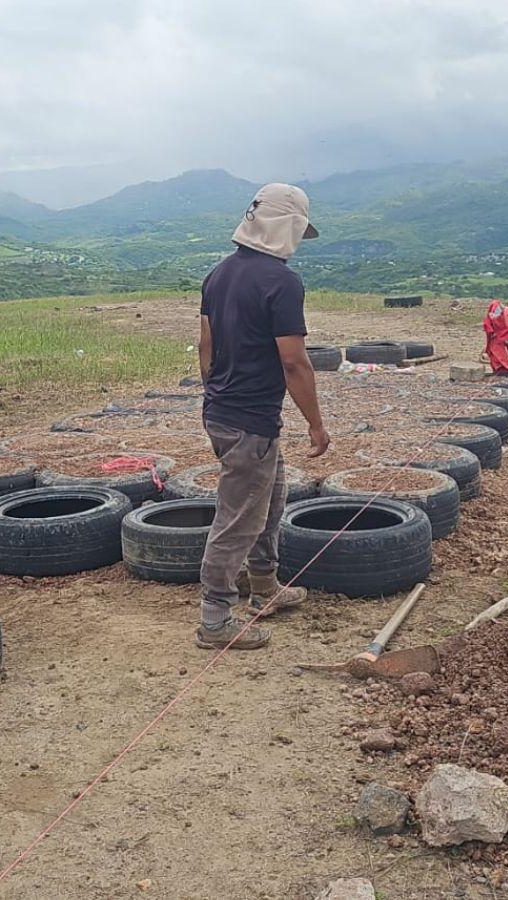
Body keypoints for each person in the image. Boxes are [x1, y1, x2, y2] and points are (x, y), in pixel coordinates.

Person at [195, 183, 330, 651]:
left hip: (226, 413)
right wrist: (315, 422)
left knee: (271, 499)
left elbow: (205, 347)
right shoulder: (282, 282)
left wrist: (215, 395)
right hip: (250, 419)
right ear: (288, 229)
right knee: (238, 519)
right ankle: (214, 619)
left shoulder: (218, 274)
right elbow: (294, 361)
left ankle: (265, 588)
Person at [483, 299, 508, 374]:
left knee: (497, 350)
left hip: (502, 333)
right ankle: (502, 368)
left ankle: (503, 368)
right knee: (499, 350)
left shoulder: (500, 311)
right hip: (503, 332)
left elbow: (491, 323)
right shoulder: (502, 310)